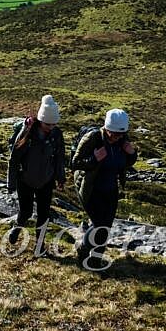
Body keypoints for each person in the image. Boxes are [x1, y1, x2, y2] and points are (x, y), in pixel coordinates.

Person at [70, 108, 138, 263]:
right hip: (90, 188)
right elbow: (75, 163)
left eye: (120, 134)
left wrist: (132, 154)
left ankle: (95, 261)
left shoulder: (123, 140)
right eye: (113, 133)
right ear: (106, 128)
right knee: (99, 224)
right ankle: (83, 248)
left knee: (105, 227)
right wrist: (93, 159)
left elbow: (126, 162)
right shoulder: (93, 138)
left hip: (110, 188)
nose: (117, 137)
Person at [6, 94, 66, 254]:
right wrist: (11, 183)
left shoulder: (57, 135)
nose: (51, 127)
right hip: (25, 179)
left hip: (46, 180)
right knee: (25, 212)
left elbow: (60, 157)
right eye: (48, 124)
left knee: (44, 215)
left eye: (54, 124)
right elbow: (14, 159)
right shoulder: (28, 134)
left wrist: (61, 178)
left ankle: (39, 247)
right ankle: (17, 228)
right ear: (40, 120)